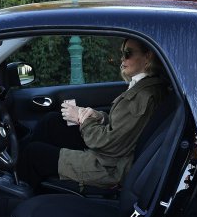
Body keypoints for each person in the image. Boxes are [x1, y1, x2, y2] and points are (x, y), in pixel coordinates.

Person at [21, 37, 168, 189]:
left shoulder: (142, 97)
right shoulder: (145, 87)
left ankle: (16, 192)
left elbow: (109, 144)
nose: (122, 59)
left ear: (148, 56)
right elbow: (123, 127)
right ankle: (16, 159)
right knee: (52, 122)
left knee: (33, 154)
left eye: (128, 53)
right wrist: (98, 116)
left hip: (109, 166)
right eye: (122, 53)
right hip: (110, 155)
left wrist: (82, 118)